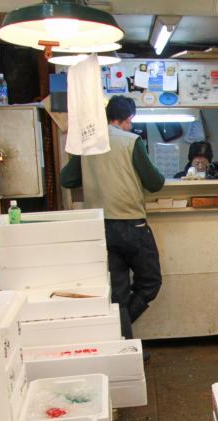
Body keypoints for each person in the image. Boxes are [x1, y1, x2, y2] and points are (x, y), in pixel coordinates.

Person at [60, 96, 165, 341]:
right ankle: (121, 332)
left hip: (100, 227)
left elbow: (67, 180)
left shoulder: (87, 143)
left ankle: (121, 342)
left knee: (117, 293)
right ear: (128, 119)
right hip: (132, 224)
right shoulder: (131, 142)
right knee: (150, 282)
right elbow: (155, 182)